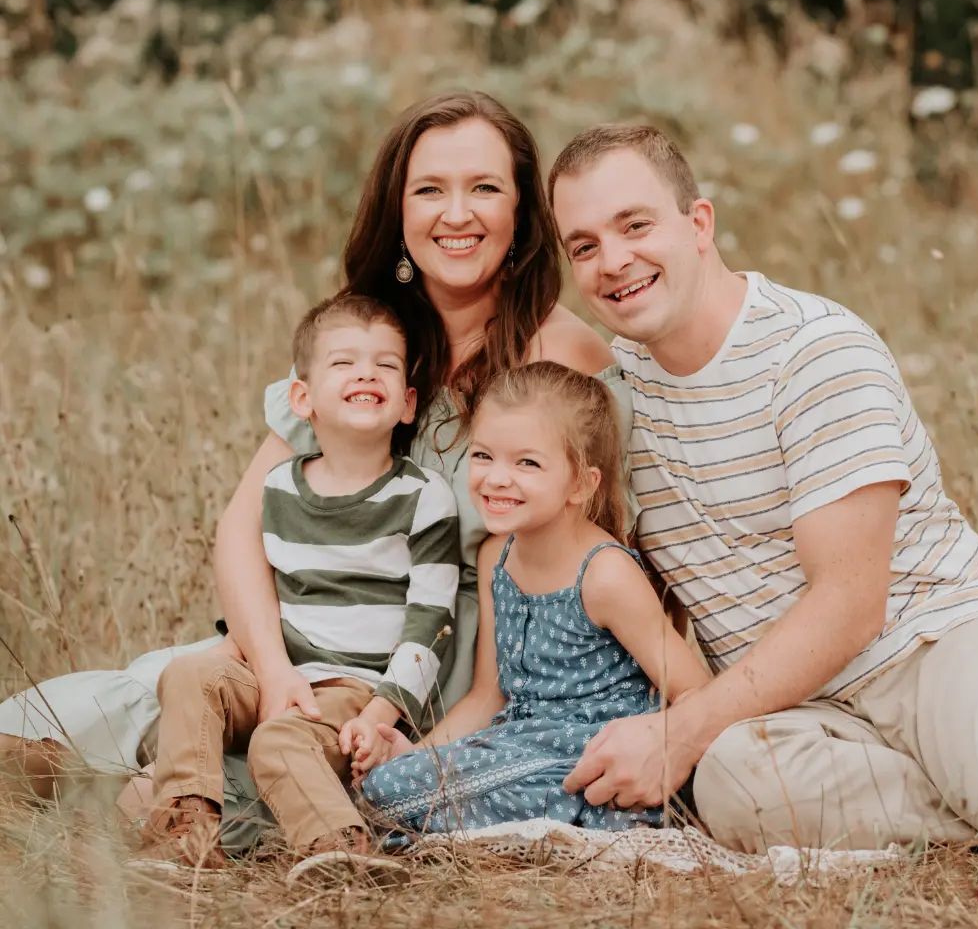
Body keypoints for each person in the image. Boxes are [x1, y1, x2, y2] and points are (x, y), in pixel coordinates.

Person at [0, 92, 621, 839]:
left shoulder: (563, 356)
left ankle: (139, 800)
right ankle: (91, 771)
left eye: (484, 188)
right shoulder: (361, 342)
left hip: (428, 662)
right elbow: (243, 524)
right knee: (113, 703)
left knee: (238, 780)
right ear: (397, 212)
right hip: (298, 641)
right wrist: (271, 666)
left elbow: (587, 564)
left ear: (522, 212)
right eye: (430, 190)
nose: (456, 213)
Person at [549, 123, 978, 855]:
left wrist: (682, 728)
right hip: (797, 705)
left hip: (935, 645)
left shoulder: (814, 350)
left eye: (635, 225)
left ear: (698, 223)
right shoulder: (617, 395)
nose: (614, 260)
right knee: (732, 782)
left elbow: (850, 606)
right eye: (583, 246)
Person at [140, 293, 459, 868]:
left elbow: (430, 625)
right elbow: (275, 591)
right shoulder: (280, 488)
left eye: (385, 364)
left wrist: (382, 713)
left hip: (355, 689)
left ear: (408, 403)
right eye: (344, 362)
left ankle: (340, 848)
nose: (366, 372)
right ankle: (186, 827)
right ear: (301, 398)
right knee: (189, 673)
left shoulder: (423, 496)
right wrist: (253, 658)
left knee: (279, 741)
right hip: (280, 674)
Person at [360, 361, 708, 833]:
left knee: (411, 798)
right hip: (517, 744)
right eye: (483, 456)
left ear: (581, 484)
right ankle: (473, 821)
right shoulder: (494, 558)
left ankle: (587, 824)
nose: (497, 478)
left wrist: (654, 748)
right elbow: (489, 695)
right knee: (382, 783)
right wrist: (422, 753)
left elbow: (691, 689)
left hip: (591, 757)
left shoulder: (604, 574)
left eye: (527, 463)